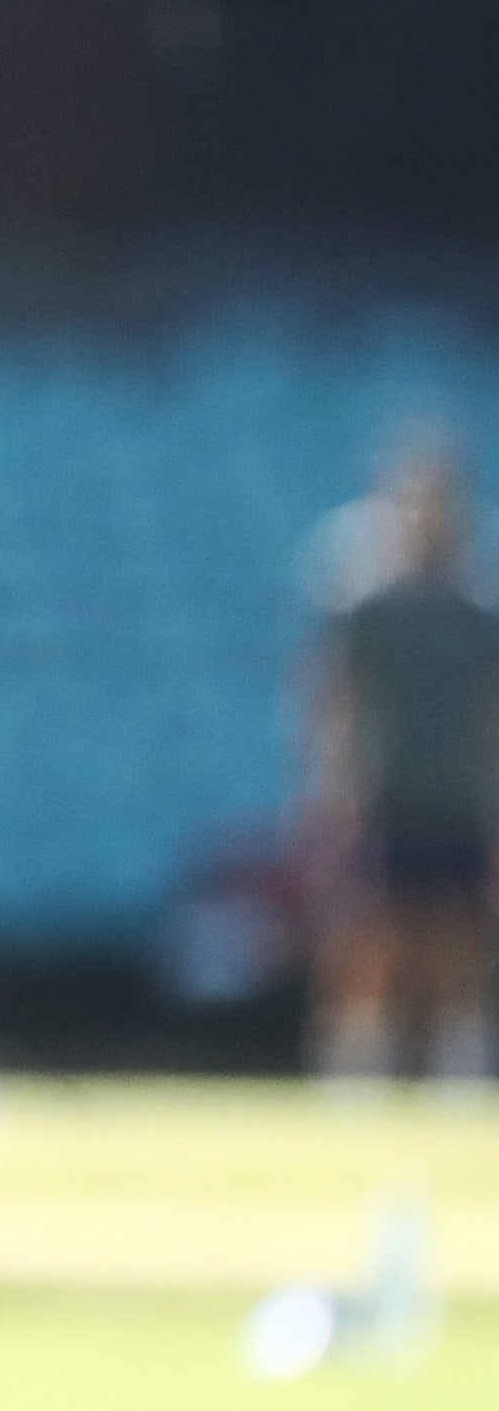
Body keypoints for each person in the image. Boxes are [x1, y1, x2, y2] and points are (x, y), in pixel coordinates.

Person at [299, 430, 499, 1092]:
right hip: (385, 795)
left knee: (457, 934)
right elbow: (335, 700)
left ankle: (459, 1062)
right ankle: (356, 1065)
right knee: (366, 932)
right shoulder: (368, 605)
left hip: (458, 796)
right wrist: (330, 790)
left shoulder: (477, 610)